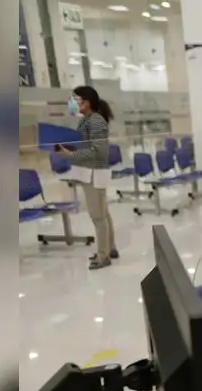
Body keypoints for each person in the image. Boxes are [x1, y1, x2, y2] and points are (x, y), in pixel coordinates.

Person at [58, 86, 117, 270]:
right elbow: (86, 145)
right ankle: (109, 248)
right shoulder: (86, 120)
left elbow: (99, 151)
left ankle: (103, 255)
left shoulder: (96, 121)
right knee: (103, 213)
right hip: (87, 171)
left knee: (98, 216)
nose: (73, 103)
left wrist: (70, 155)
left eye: (76, 99)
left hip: (94, 173)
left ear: (87, 102)